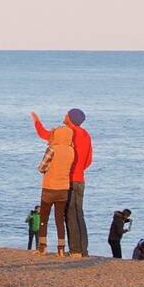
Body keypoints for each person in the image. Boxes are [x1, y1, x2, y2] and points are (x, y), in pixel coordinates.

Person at [32, 109, 92, 257]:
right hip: (80, 179)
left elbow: (44, 135)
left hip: (68, 179)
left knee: (69, 214)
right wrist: (79, 170)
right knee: (79, 214)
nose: (64, 116)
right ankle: (83, 249)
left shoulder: (66, 133)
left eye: (66, 114)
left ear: (70, 118)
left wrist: (36, 122)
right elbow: (89, 160)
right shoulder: (86, 135)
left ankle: (75, 250)